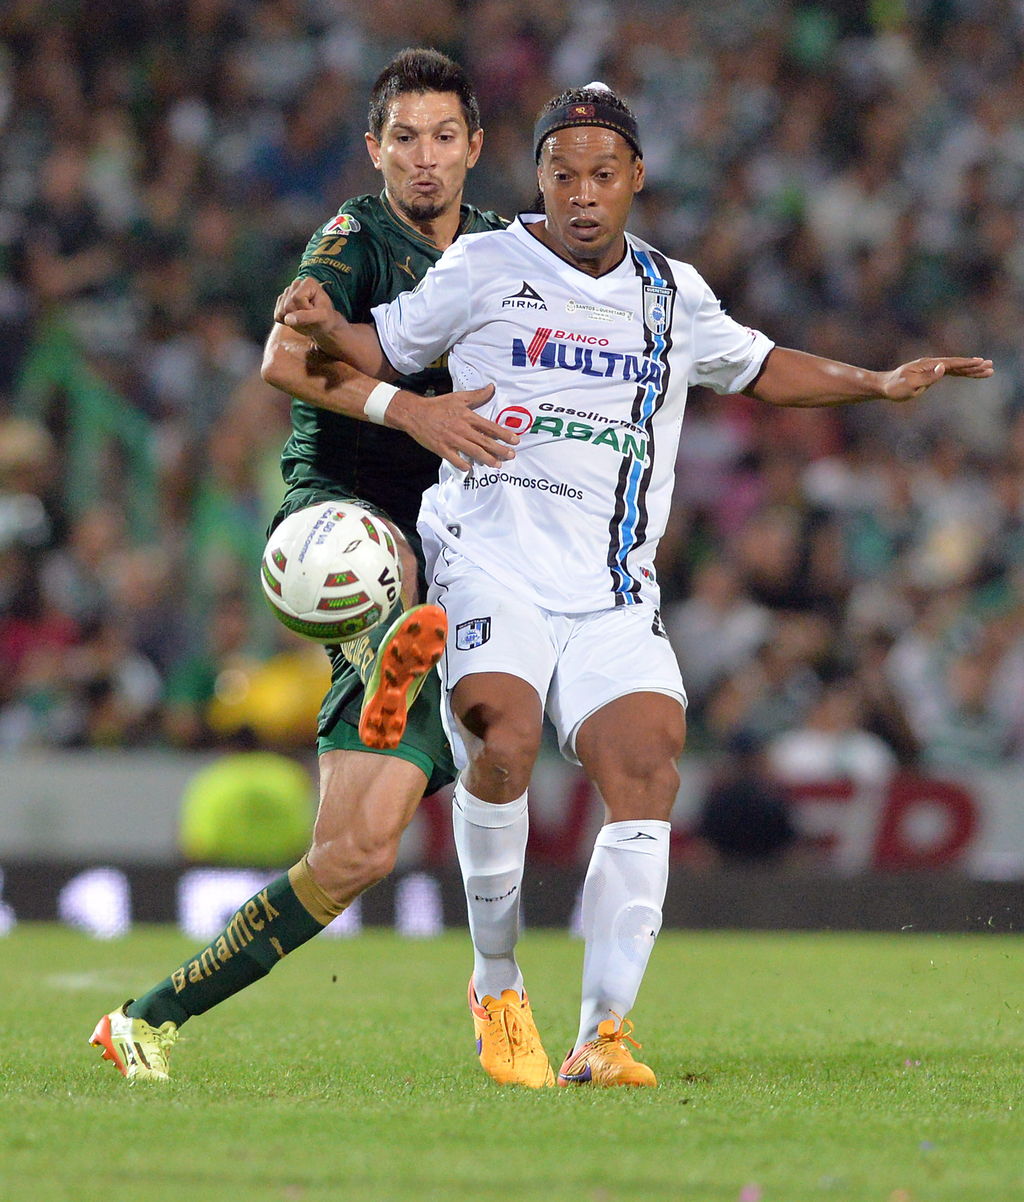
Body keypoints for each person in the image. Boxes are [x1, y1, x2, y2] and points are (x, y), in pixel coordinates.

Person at [275, 81, 993, 1089]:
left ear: (636, 179)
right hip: (488, 559)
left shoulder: (672, 293)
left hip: (611, 587)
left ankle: (601, 1035)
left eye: (602, 174)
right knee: (503, 736)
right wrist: (321, 323)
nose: (582, 193)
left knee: (649, 765)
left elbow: (761, 366)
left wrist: (873, 382)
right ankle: (496, 984)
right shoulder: (482, 263)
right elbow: (381, 347)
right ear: (536, 178)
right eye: (562, 173)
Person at [89, 48, 516, 1082]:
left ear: (475, 147)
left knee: (354, 855)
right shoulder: (352, 238)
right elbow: (283, 357)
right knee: (381, 563)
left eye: (443, 137)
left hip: (456, 547)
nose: (423, 158)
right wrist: (408, 408)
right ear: (374, 149)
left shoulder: (509, 250)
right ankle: (386, 643)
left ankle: (145, 1018)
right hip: (340, 517)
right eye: (403, 138)